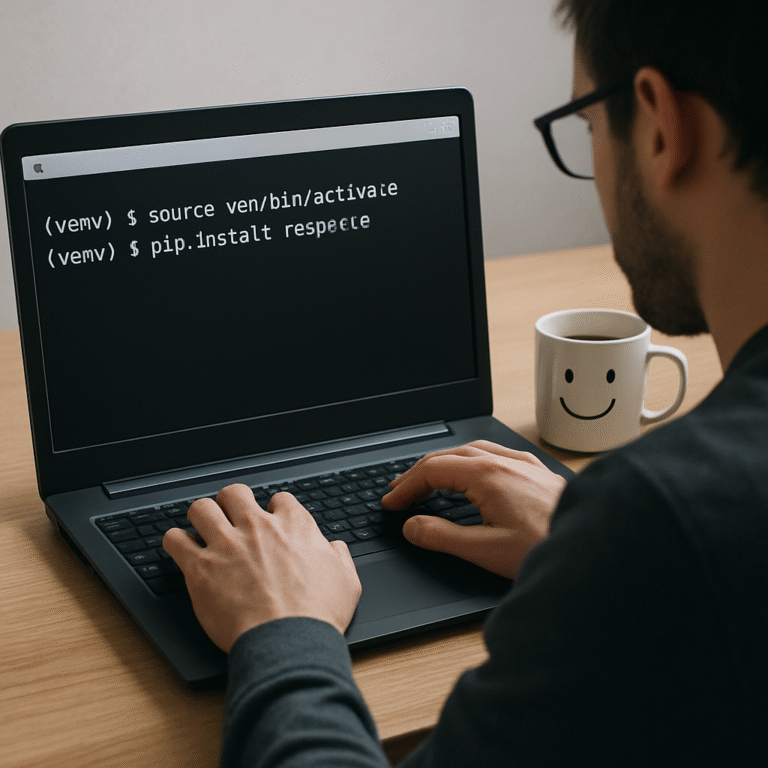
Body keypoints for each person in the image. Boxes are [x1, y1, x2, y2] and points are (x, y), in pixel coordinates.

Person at [163, 0, 768, 764]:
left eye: (585, 123)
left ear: (658, 125)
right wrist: (581, 546)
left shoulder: (668, 526)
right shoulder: (671, 535)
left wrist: (282, 631)